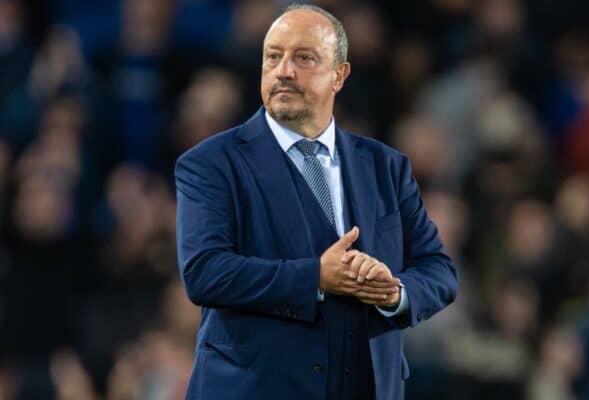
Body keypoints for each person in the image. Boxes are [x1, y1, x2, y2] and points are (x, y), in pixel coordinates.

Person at [174, 4, 458, 400]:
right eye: (273, 56)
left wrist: (394, 292)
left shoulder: (386, 167)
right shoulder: (210, 163)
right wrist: (315, 277)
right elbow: (205, 272)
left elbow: (439, 270)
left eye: (304, 58)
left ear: (339, 74)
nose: (284, 70)